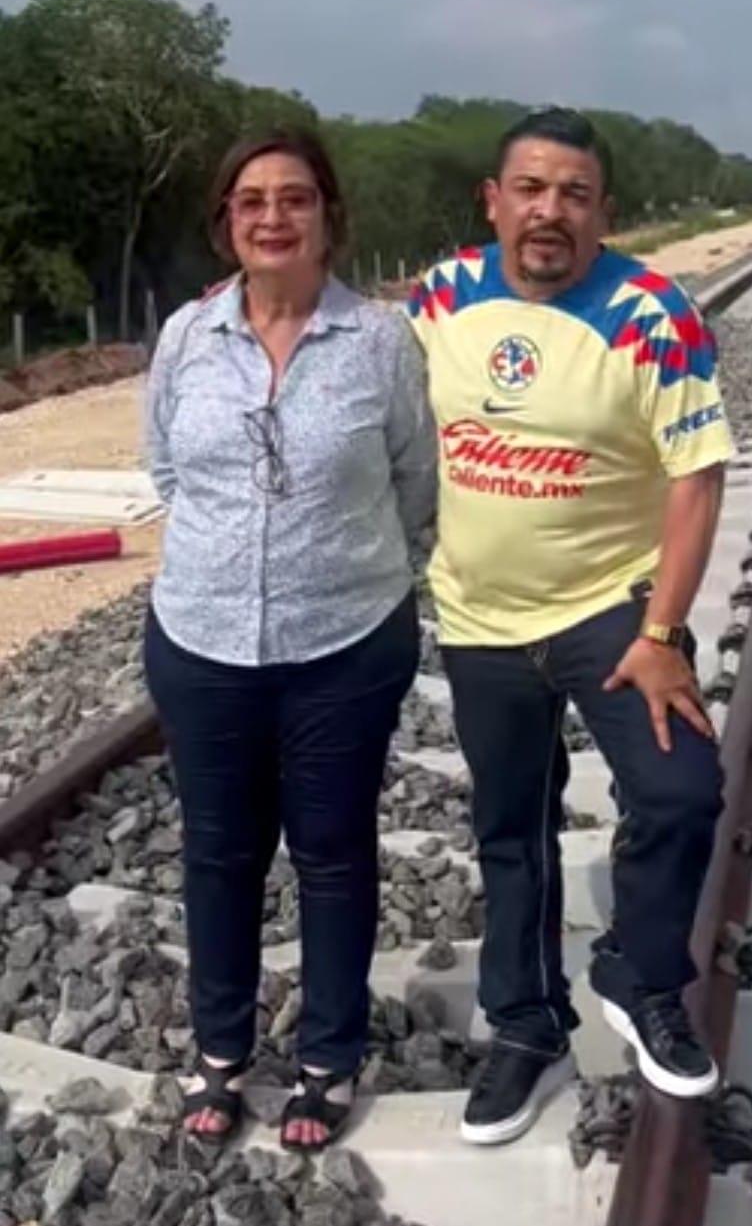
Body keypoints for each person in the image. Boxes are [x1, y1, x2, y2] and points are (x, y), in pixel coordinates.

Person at [407, 107, 735, 1146]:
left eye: (575, 194)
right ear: (494, 201)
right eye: (532, 190)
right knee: (512, 829)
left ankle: (638, 976)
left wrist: (665, 630)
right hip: (479, 617)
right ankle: (525, 1021)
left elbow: (697, 475)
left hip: (614, 612)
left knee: (682, 792)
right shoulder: (440, 297)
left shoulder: (649, 311)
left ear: (603, 212)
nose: (551, 212)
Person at [143, 128, 437, 1151]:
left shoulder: (381, 341)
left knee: (333, 854)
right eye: (251, 200)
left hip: (345, 645)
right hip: (203, 641)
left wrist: (348, 573)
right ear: (226, 221)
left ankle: (327, 1059)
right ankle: (218, 1053)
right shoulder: (186, 337)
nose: (274, 217)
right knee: (219, 853)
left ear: (328, 215)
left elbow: (415, 481)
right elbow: (166, 470)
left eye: (295, 197)